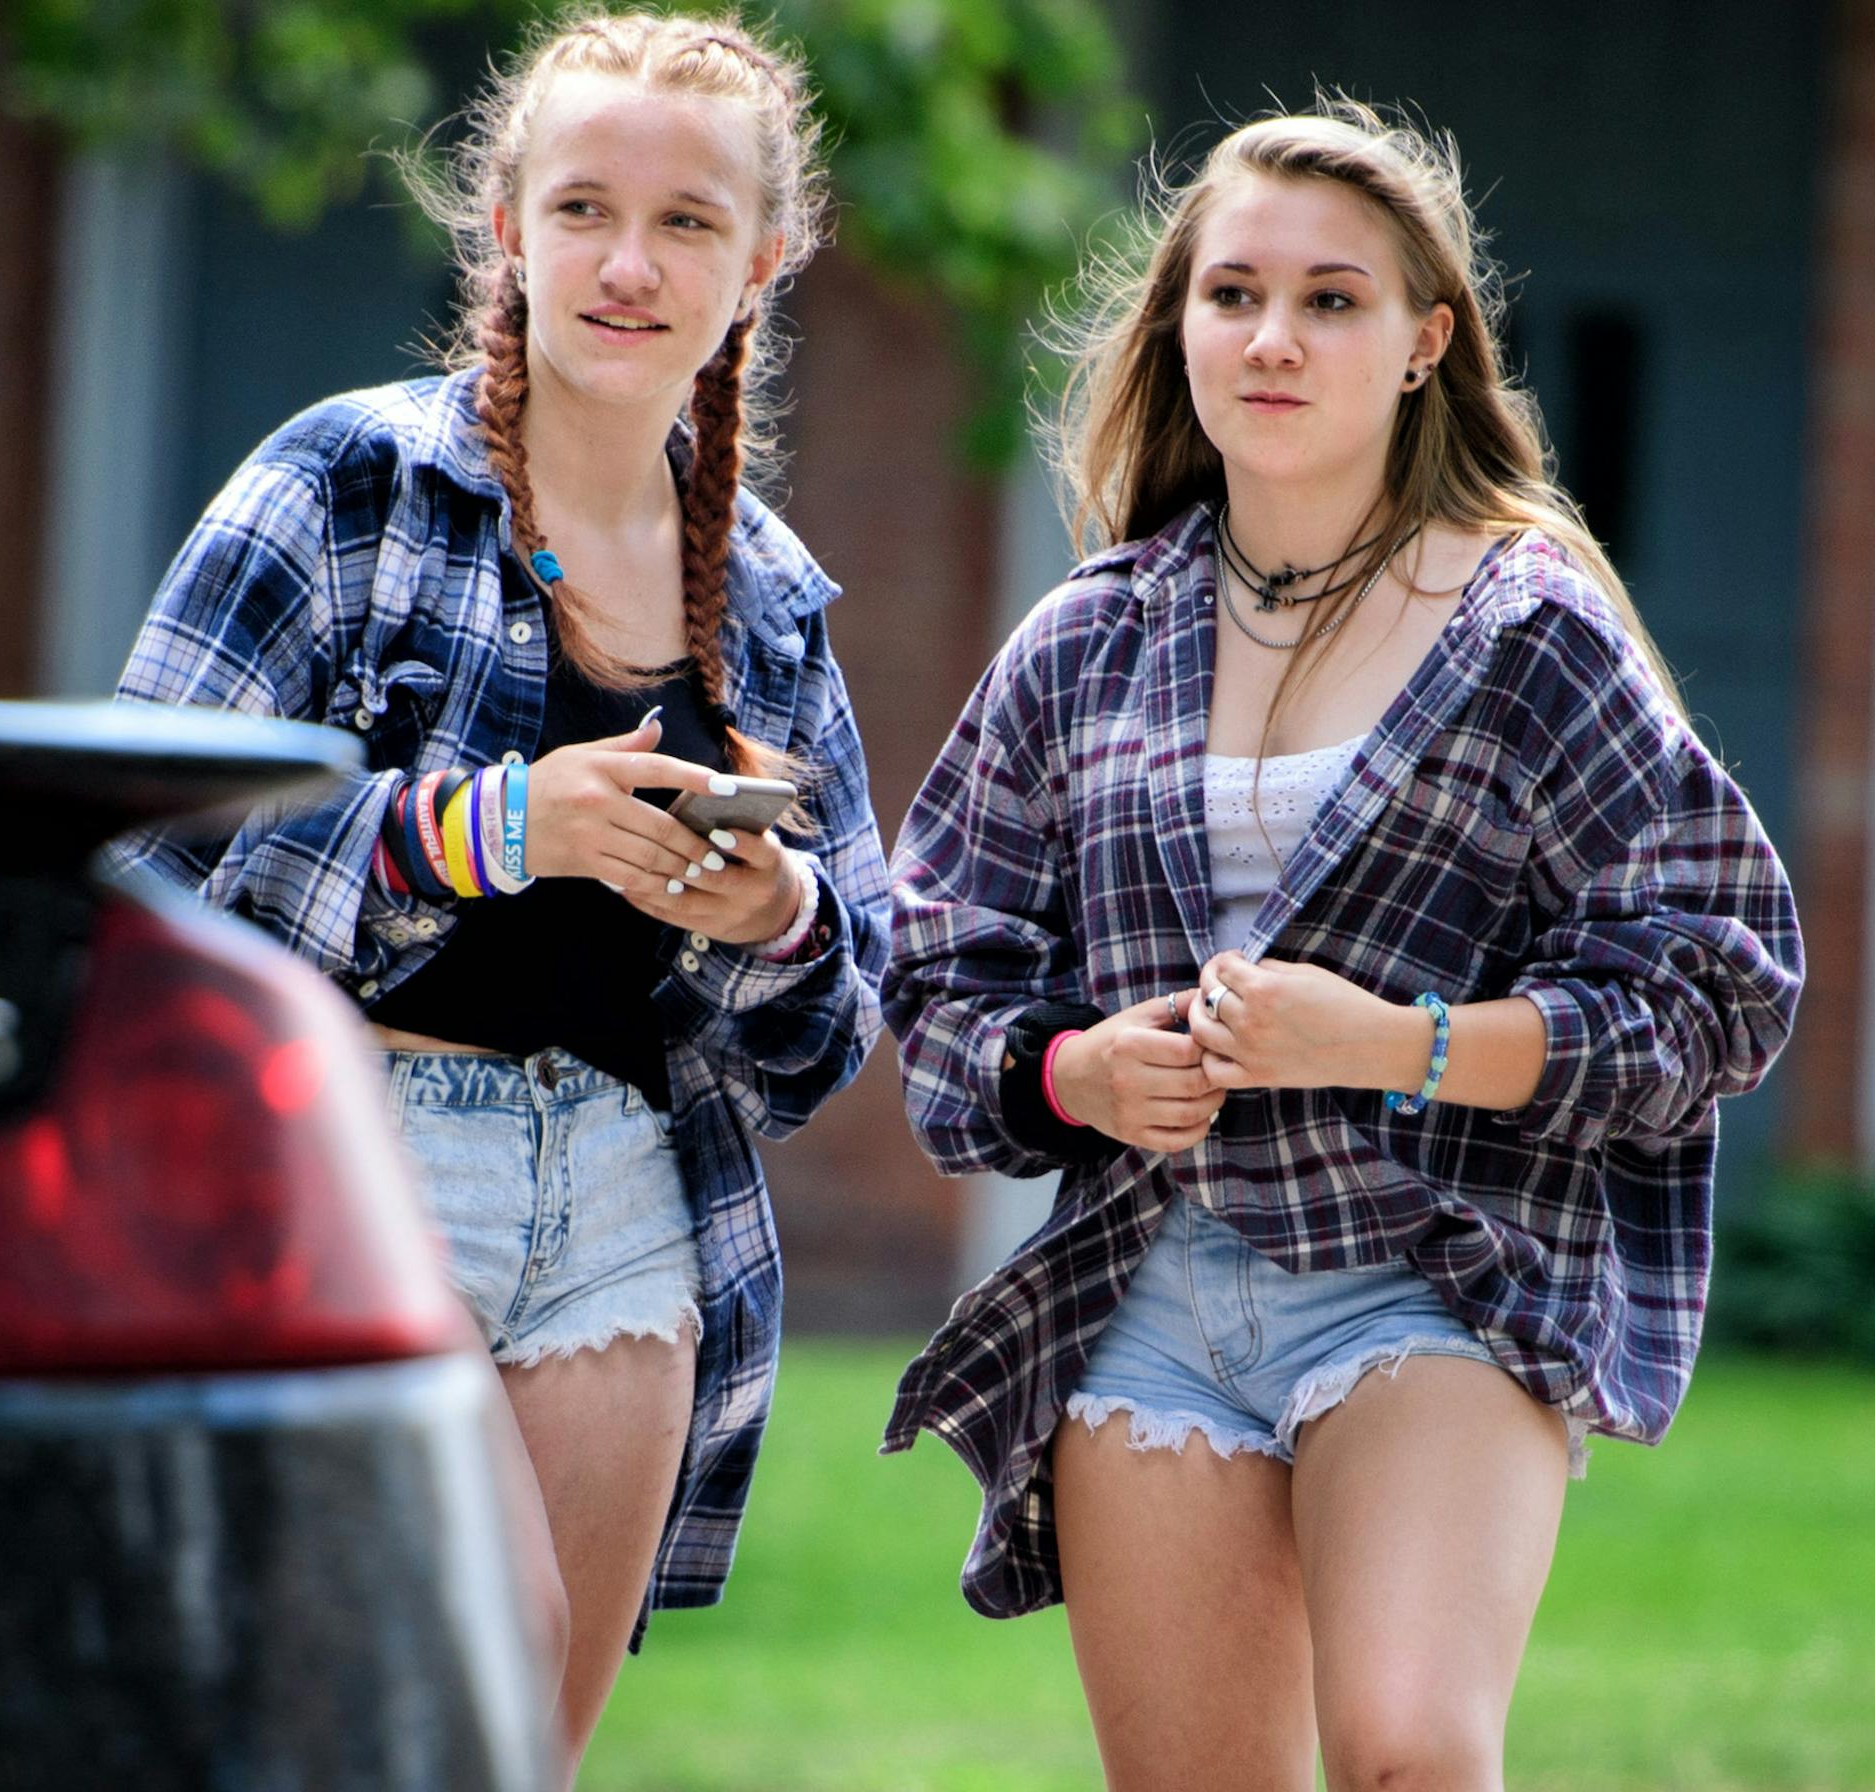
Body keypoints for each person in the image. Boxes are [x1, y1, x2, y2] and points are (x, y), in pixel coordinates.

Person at [880, 100, 1802, 1792]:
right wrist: (1077, 1070)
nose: (1274, 338)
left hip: (1435, 1268)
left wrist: (1396, 1043)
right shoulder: (1087, 643)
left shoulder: (1530, 630)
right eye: (1232, 295)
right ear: (1179, 327)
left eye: (1331, 299)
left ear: (1423, 343)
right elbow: (936, 963)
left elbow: (1721, 977)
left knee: (1412, 1756)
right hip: (1145, 1293)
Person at [109, 11, 888, 1781]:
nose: (630, 264)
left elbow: (835, 1026)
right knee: (466, 1666)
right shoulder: (344, 484)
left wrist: (773, 919)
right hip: (355, 1157)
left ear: (759, 263)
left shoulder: (764, 594)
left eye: (689, 223)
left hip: (625, 1196)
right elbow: (133, 875)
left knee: (511, 1753)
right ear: (505, 232)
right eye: (586, 209)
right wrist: (474, 834)